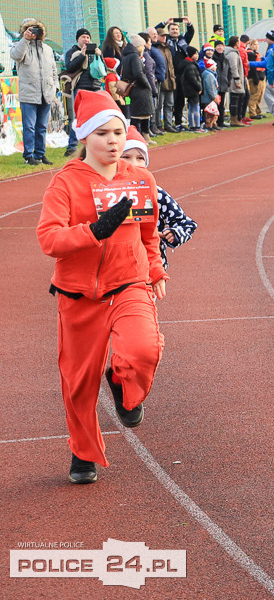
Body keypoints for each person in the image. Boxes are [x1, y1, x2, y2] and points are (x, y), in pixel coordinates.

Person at [36, 89, 167, 484]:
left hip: (129, 283)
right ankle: (83, 453)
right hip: (78, 295)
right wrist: (94, 231)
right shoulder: (65, 183)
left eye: (118, 133)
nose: (113, 141)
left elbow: (149, 234)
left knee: (145, 349)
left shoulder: (141, 179)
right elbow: (49, 239)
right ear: (84, 137)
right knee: (78, 383)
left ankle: (124, 385)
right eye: (102, 134)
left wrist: (155, 270)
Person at [120, 129, 197, 270]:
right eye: (126, 157)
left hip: (152, 267)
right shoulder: (106, 193)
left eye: (140, 158)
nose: (133, 163)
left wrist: (174, 233)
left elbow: (186, 224)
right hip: (118, 268)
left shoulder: (156, 193)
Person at [11, 17, 58, 166]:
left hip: (46, 93)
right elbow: (15, 55)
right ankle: (28, 156)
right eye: (30, 29)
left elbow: (54, 70)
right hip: (29, 93)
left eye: (36, 29)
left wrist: (55, 88)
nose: (33, 32)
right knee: (29, 127)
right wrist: (25, 39)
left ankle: (40, 154)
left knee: (42, 127)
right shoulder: (20, 46)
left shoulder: (48, 49)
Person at [63, 28, 105, 155]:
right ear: (78, 39)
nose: (86, 40)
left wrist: (99, 55)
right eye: (83, 37)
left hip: (96, 86)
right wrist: (82, 55)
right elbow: (70, 67)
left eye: (88, 37)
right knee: (79, 117)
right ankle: (72, 146)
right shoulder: (72, 52)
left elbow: (103, 69)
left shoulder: (95, 51)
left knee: (96, 117)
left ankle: (93, 144)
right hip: (81, 87)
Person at [179, 47, 203, 132]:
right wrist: (199, 87)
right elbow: (194, 79)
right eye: (195, 54)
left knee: (191, 107)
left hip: (189, 89)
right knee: (195, 107)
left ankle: (192, 125)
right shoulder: (190, 65)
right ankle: (196, 126)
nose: (197, 55)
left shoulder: (189, 64)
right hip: (193, 89)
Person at [246, 39, 267, 120]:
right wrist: (255, 78)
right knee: (254, 95)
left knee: (259, 96)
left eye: (257, 44)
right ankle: (253, 113)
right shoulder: (250, 54)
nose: (256, 46)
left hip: (261, 76)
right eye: (255, 44)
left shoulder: (257, 54)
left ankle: (258, 111)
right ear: (251, 45)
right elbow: (252, 68)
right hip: (255, 77)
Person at [199, 58, 219, 132]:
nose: (216, 67)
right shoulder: (209, 75)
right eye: (214, 66)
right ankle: (208, 124)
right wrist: (213, 97)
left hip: (210, 97)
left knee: (213, 112)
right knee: (209, 113)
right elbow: (210, 87)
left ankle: (213, 124)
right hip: (208, 98)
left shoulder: (210, 74)